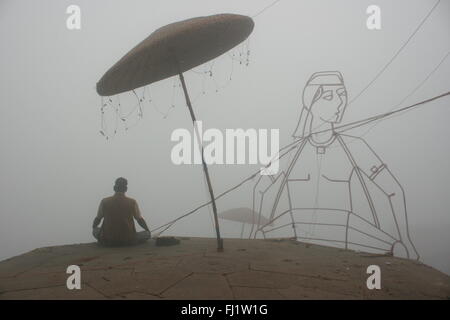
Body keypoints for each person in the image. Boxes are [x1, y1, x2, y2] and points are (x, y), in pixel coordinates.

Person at [250, 71, 419, 260]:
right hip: (295, 230)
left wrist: (404, 240)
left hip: (343, 233)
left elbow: (393, 190)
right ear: (311, 103)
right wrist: (255, 231)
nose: (340, 103)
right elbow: (260, 188)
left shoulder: (355, 146)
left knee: (393, 249)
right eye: (329, 96)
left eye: (342, 94)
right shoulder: (291, 151)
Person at [92, 177, 151, 246]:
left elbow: (98, 219)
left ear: (114, 188)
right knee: (147, 234)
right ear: (126, 189)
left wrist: (94, 227)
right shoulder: (132, 202)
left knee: (95, 230)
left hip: (108, 240)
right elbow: (139, 219)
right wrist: (147, 230)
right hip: (128, 240)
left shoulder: (105, 201)